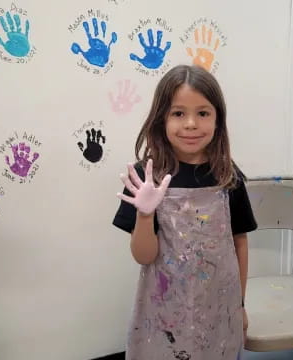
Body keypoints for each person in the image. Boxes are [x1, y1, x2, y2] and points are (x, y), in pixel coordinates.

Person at [112, 64, 257, 360]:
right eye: (178, 113)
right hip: (163, 310)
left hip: (219, 308)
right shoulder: (145, 178)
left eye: (203, 113)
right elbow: (143, 256)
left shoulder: (229, 176)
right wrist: (144, 214)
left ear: (218, 120)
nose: (191, 124)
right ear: (161, 118)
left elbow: (239, 242)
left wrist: (239, 305)